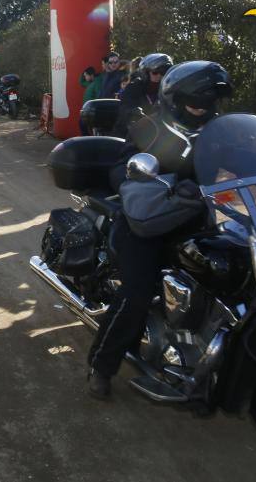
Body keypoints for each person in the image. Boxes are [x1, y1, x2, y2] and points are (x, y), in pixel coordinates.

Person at [87, 60, 233, 399]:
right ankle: (102, 364)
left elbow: (253, 159)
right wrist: (164, 184)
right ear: (174, 98)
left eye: (209, 101)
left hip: (200, 221)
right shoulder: (149, 127)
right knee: (138, 292)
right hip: (147, 223)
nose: (202, 107)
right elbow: (121, 169)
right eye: (195, 101)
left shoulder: (219, 131)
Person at [111, 53, 174, 138]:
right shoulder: (133, 88)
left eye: (164, 71)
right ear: (146, 73)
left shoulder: (169, 91)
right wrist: (133, 112)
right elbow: (125, 108)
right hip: (132, 136)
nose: (159, 75)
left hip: (163, 136)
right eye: (155, 72)